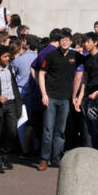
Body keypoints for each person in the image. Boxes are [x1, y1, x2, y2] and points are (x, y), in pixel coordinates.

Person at [36, 29, 79, 170]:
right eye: (62, 40)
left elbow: (82, 73)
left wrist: (76, 95)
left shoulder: (74, 55)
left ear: (71, 42)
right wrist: (44, 94)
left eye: (67, 39)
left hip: (65, 98)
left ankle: (56, 158)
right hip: (51, 97)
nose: (65, 42)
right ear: (59, 42)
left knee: (60, 130)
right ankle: (44, 159)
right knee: (48, 129)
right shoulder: (51, 55)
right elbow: (41, 73)